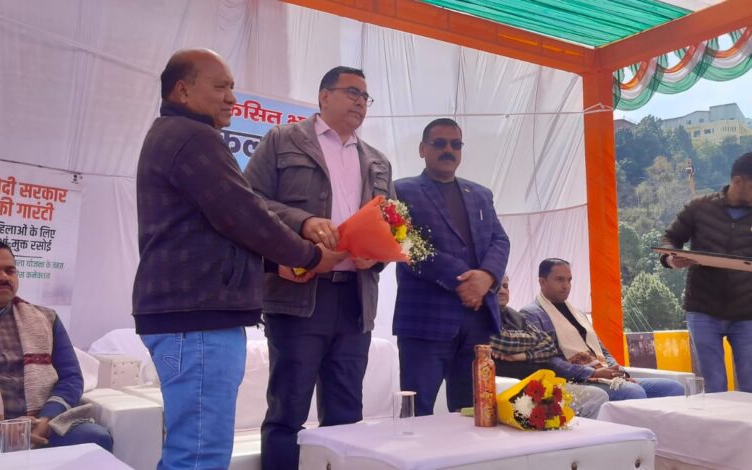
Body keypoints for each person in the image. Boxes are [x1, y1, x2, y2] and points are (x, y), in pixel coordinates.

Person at [133, 49, 343, 470]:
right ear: (182, 91)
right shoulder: (194, 137)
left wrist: (274, 265)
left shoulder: (175, 134)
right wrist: (308, 255)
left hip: (189, 317)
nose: (232, 97)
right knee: (200, 454)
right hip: (197, 320)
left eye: (232, 87)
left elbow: (215, 229)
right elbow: (244, 214)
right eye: (220, 87)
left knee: (192, 448)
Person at [244, 66, 394, 470]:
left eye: (365, 96)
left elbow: (396, 227)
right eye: (352, 92)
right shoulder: (283, 140)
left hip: (355, 298)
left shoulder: (378, 162)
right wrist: (304, 222)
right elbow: (250, 201)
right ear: (324, 96)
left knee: (347, 414)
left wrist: (376, 254)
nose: (360, 102)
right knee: (288, 410)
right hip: (300, 295)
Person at [393, 118, 510, 416]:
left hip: (477, 321)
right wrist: (463, 280)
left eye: (455, 144)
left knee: (473, 412)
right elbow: (406, 244)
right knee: (417, 413)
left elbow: (500, 240)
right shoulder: (400, 191)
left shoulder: (480, 194)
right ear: (422, 149)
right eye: (439, 143)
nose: (449, 150)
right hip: (425, 320)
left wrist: (487, 277)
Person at [0, 240, 112, 455]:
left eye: (10, 270)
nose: (4, 277)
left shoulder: (46, 318)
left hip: (44, 423)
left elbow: (71, 378)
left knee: (95, 438)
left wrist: (47, 418)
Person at [520, 258, 684, 401]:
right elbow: (549, 360)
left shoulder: (578, 313)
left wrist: (615, 371)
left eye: (569, 280)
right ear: (542, 282)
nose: (566, 286)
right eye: (560, 280)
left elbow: (601, 350)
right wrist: (592, 373)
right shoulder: (532, 314)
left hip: (603, 375)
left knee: (674, 388)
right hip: (575, 380)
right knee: (633, 392)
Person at [660, 152, 752, 393]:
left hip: (747, 313)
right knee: (715, 385)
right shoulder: (699, 207)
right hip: (703, 310)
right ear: (738, 181)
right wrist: (671, 259)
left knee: (750, 385)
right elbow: (670, 238)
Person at [491, 274, 608, 418]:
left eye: (505, 286)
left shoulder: (515, 315)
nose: (502, 291)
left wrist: (521, 355)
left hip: (541, 383)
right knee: (596, 397)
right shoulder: (481, 317)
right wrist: (536, 340)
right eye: (496, 287)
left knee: (597, 395)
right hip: (511, 390)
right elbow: (504, 341)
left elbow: (549, 346)